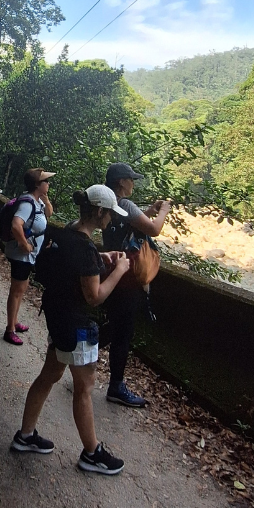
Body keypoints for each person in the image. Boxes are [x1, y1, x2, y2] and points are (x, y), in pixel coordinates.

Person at [11, 185, 131, 474]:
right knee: (84, 388)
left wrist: (100, 259)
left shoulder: (66, 232)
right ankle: (92, 453)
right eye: (109, 214)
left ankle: (25, 436)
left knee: (50, 374)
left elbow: (73, 266)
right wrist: (119, 270)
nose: (112, 220)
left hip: (57, 318)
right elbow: (94, 296)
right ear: (99, 211)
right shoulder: (86, 248)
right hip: (76, 327)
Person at [101, 162, 172, 408]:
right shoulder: (126, 205)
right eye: (131, 179)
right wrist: (163, 211)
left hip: (111, 273)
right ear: (121, 182)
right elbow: (153, 230)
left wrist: (148, 210)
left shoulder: (109, 204)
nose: (133, 183)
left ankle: (75, 357)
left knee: (113, 326)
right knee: (123, 333)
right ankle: (116, 387)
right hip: (128, 279)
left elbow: (130, 222)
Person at [2, 168, 55, 346]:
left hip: (28, 255)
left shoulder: (36, 201)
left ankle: (14, 321)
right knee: (16, 291)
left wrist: (45, 198)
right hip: (21, 255)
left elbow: (49, 214)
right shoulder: (27, 204)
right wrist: (25, 246)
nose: (48, 184)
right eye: (46, 181)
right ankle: (10, 330)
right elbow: (16, 225)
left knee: (21, 288)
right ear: (37, 184)